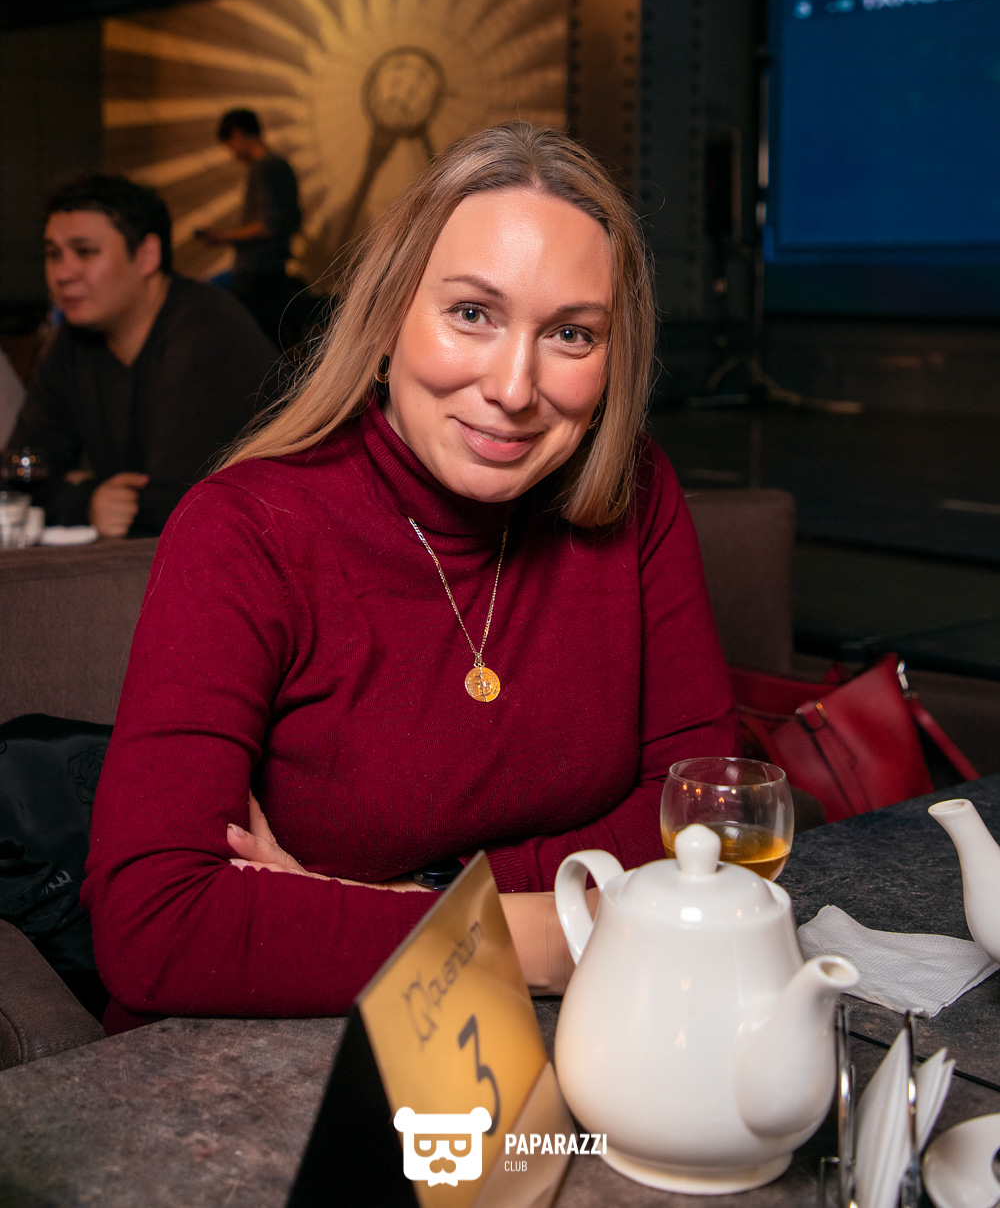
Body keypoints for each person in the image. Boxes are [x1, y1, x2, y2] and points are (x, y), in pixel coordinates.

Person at [83, 123, 737, 1033]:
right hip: (266, 1062)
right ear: (388, 317)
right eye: (472, 313)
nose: (514, 388)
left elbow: (706, 816)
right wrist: (547, 934)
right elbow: (155, 923)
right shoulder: (246, 527)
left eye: (571, 334)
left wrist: (399, 900)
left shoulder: (636, 492)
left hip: (575, 1035)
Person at [13, 174, 280, 538]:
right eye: (53, 254)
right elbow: (18, 479)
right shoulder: (70, 344)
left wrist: (89, 494)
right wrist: (89, 501)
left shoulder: (207, 333)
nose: (62, 273)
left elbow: (177, 507)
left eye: (85, 251)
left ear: (147, 255)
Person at [201, 108, 305, 349]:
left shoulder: (264, 168)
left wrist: (220, 235)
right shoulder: (282, 165)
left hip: (256, 272)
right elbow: (293, 220)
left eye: (230, 145)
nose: (232, 154)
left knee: (206, 299)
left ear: (237, 135)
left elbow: (266, 226)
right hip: (272, 270)